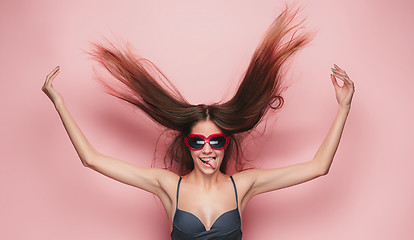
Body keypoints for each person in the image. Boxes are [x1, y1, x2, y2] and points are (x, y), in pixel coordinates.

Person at [42, 7, 354, 240]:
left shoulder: (243, 185)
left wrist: (343, 108)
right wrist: (59, 103)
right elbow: (91, 159)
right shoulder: (169, 186)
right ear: (187, 145)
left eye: (216, 141)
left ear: (226, 144)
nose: (208, 150)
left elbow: (318, 166)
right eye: (198, 142)